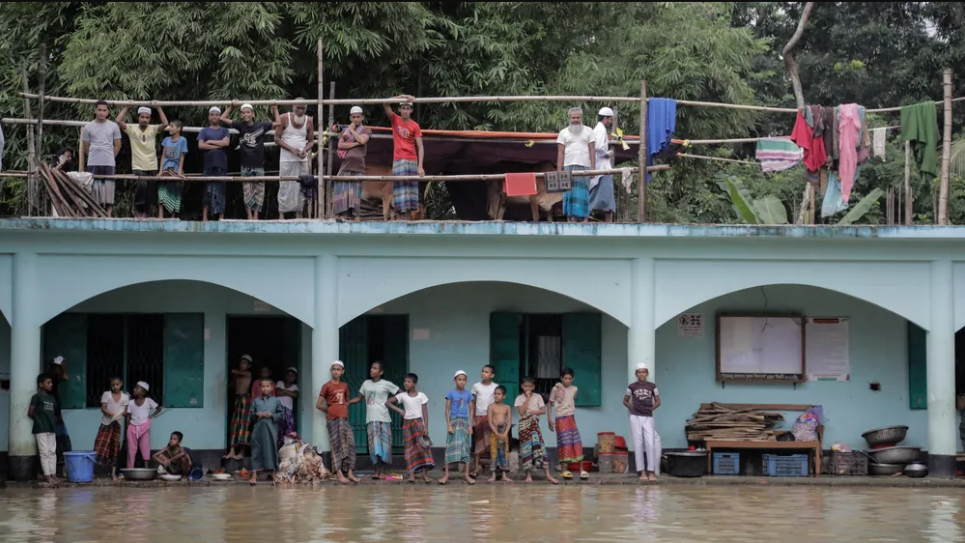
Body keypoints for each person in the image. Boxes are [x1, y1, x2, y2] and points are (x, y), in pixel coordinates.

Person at [221, 103, 281, 220]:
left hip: (258, 164)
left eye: (248, 112)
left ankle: (256, 216)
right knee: (247, 191)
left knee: (259, 191)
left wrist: (274, 108)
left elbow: (278, 123)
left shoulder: (261, 125)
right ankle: (249, 215)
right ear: (241, 115)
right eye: (243, 112)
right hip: (245, 165)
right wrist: (231, 106)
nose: (246, 114)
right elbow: (222, 118)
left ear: (252, 114)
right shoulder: (240, 125)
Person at [116, 105, 169, 218]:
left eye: (147, 117)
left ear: (149, 119)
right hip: (138, 165)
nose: (144, 119)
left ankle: (145, 213)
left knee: (150, 191)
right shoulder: (131, 129)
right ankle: (137, 208)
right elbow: (118, 120)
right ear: (138, 117)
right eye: (142, 117)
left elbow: (165, 124)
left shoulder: (153, 129)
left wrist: (159, 108)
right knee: (142, 185)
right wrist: (127, 107)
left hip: (152, 165)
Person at [351, 361, 398, 480]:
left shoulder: (386, 384)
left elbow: (400, 394)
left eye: (375, 368)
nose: (371, 370)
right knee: (374, 447)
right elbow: (359, 398)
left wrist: (391, 402)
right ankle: (376, 471)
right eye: (371, 368)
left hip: (384, 419)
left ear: (381, 372)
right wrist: (348, 402)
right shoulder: (366, 383)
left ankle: (382, 471)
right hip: (371, 420)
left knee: (384, 447)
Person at [382, 95, 424, 220]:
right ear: (400, 110)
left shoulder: (415, 126)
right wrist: (403, 96)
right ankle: (399, 216)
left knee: (411, 187)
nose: (405, 111)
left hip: (412, 159)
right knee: (399, 186)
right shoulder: (395, 119)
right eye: (403, 108)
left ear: (411, 111)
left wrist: (420, 166)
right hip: (399, 159)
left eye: (408, 108)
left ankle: (409, 217)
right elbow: (385, 102)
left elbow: (420, 147)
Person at [386, 373, 433, 483]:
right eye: (405, 381)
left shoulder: (421, 395)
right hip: (407, 424)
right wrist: (399, 410)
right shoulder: (402, 396)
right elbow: (387, 402)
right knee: (409, 448)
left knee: (423, 448)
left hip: (419, 423)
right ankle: (411, 474)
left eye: (409, 382)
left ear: (414, 384)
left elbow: (425, 412)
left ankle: (424, 475)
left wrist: (426, 426)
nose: (406, 383)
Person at [317, 360, 358, 484]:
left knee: (350, 443)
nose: (335, 371)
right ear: (331, 371)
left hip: (344, 419)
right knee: (336, 446)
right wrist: (330, 411)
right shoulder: (327, 386)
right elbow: (318, 405)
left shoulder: (345, 385)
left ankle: (350, 472)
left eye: (338, 369)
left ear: (342, 371)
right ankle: (339, 473)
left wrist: (342, 410)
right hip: (333, 420)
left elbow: (346, 400)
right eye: (333, 369)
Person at [82, 100, 122, 217]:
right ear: (95, 111)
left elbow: (118, 145)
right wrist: (93, 157)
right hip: (93, 161)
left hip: (109, 162)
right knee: (94, 188)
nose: (101, 112)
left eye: (104, 110)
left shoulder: (113, 126)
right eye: (99, 110)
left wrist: (110, 157)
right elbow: (86, 147)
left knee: (109, 188)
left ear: (107, 112)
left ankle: (108, 214)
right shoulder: (88, 127)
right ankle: (95, 213)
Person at [556, 107, 596, 223]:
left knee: (583, 193)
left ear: (581, 118)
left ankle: (584, 218)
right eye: (573, 118)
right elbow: (560, 153)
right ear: (569, 118)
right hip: (568, 166)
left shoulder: (589, 131)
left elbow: (592, 151)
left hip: (585, 167)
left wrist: (593, 168)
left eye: (577, 117)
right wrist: (559, 170)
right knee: (569, 194)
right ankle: (570, 218)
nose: (575, 120)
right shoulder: (563, 133)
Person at [275, 101, 315, 219]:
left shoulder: (309, 120)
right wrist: (292, 150)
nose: (300, 111)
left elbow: (311, 141)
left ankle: (299, 214)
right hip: (286, 160)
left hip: (301, 160)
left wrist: (305, 150)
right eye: (298, 108)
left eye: (303, 108)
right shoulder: (283, 118)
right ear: (293, 107)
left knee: (302, 186)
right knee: (285, 185)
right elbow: (277, 138)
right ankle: (281, 215)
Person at [516, 376, 559, 484]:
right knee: (526, 450)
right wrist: (528, 399)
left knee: (540, 448)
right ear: (522, 386)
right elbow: (521, 412)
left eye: (530, 386)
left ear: (533, 387)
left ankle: (547, 474)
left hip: (535, 425)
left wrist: (532, 412)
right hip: (524, 427)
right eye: (525, 386)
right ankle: (528, 476)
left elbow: (543, 410)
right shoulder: (519, 398)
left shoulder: (538, 397)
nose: (528, 388)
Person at [624, 362, 662, 482]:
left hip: (648, 417)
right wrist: (633, 409)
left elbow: (658, 401)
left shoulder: (652, 386)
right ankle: (642, 472)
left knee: (650, 443)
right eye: (639, 372)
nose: (641, 374)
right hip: (635, 417)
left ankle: (651, 472)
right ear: (636, 374)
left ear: (647, 373)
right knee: (638, 443)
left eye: (644, 372)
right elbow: (625, 401)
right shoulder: (631, 387)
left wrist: (651, 408)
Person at [549, 367, 587, 480]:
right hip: (560, 418)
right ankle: (564, 469)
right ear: (561, 378)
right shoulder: (556, 389)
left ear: (573, 379)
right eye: (565, 378)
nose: (567, 381)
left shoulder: (574, 389)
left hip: (571, 417)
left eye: (569, 378)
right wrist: (549, 419)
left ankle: (581, 470)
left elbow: (572, 398)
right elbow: (549, 403)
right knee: (564, 442)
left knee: (576, 441)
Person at [334, 106, 371, 219]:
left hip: (358, 167)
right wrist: (355, 144)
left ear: (362, 117)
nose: (356, 119)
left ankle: (355, 218)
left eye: (358, 117)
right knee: (342, 190)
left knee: (355, 194)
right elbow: (340, 145)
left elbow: (362, 140)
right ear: (350, 117)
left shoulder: (366, 130)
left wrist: (352, 131)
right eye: (354, 117)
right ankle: (343, 216)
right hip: (345, 166)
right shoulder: (345, 131)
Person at [440, 370, 475, 485]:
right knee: (450, 446)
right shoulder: (450, 393)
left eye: (464, 380)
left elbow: (471, 410)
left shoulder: (468, 395)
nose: (462, 382)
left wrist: (470, 425)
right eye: (459, 379)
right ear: (455, 380)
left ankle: (466, 475)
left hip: (464, 422)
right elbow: (447, 410)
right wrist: (449, 424)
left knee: (465, 447)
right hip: (454, 421)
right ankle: (446, 475)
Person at [198, 106, 231, 222]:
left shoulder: (224, 130)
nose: (214, 117)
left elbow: (226, 143)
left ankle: (221, 217)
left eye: (217, 114)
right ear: (209, 117)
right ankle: (205, 217)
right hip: (208, 165)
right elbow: (201, 145)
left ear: (219, 116)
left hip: (221, 164)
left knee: (221, 190)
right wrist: (219, 144)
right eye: (212, 114)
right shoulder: (204, 131)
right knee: (207, 190)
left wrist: (210, 142)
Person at [249, 378, 284, 485]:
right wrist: (257, 415)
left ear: (272, 387)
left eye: (267, 386)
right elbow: (251, 415)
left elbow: (281, 415)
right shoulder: (256, 401)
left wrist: (271, 415)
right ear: (260, 388)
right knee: (256, 450)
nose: (265, 388)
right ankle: (254, 474)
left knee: (272, 449)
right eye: (263, 386)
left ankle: (274, 473)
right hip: (258, 429)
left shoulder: (276, 401)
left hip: (271, 429)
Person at [94, 376, 129, 480]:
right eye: (113, 385)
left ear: (121, 384)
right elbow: (103, 408)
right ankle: (92, 470)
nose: (115, 386)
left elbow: (126, 411)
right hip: (106, 423)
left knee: (115, 448)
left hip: (117, 425)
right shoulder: (106, 394)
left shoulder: (125, 397)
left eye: (117, 384)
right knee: (99, 446)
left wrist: (122, 414)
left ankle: (113, 473)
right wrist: (112, 414)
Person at [28, 373, 58, 485]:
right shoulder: (36, 397)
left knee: (52, 452)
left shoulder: (52, 398)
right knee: (44, 452)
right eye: (48, 383)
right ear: (41, 384)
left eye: (51, 383)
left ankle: (53, 474)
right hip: (40, 429)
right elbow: (30, 413)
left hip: (51, 428)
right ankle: (47, 475)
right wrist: (40, 421)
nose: (51, 385)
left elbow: (53, 414)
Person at [125, 381, 161, 469]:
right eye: (135, 387)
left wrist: (150, 417)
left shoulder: (148, 401)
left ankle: (146, 469)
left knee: (145, 448)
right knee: (131, 450)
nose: (134, 389)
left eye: (137, 388)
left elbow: (158, 408)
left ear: (143, 392)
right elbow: (128, 416)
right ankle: (130, 469)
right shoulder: (131, 402)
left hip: (144, 426)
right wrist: (128, 427)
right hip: (132, 427)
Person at [470, 365, 498, 477]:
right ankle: (476, 469)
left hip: (491, 418)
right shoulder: (476, 386)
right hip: (478, 417)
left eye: (486, 372)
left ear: (492, 375)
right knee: (478, 443)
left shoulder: (496, 387)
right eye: (482, 371)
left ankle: (493, 470)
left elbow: (497, 403)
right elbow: (473, 403)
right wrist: (472, 417)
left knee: (492, 443)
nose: (483, 373)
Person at [590, 107, 616, 222]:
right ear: (605, 118)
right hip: (602, 167)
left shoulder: (598, 129)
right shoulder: (600, 130)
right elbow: (598, 147)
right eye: (610, 120)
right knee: (606, 194)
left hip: (601, 165)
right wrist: (607, 153)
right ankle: (607, 220)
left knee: (598, 193)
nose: (611, 122)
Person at [47, 356, 71, 478]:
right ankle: (59, 471)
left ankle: (62, 470)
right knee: (59, 444)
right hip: (53, 415)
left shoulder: (54, 378)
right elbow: (65, 376)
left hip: (57, 414)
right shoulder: (53, 377)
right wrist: (62, 366)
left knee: (62, 443)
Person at [225, 354, 253, 460]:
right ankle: (232, 451)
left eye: (244, 363)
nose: (242, 364)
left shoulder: (247, 373)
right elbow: (231, 385)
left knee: (243, 425)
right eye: (241, 362)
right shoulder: (238, 375)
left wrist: (234, 371)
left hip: (245, 399)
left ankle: (242, 451)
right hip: (237, 399)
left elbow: (235, 371)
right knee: (234, 424)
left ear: (249, 366)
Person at [158, 120, 188, 218]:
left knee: (175, 190)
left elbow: (182, 157)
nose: (170, 128)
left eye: (172, 126)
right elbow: (163, 156)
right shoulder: (166, 139)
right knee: (162, 191)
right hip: (166, 168)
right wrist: (160, 171)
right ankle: (160, 216)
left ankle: (173, 216)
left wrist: (179, 172)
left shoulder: (183, 140)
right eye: (170, 126)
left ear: (179, 128)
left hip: (175, 168)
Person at [487, 385, 513, 483]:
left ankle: (504, 475)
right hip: (494, 431)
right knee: (494, 451)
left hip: (504, 431)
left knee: (504, 452)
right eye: (495, 394)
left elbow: (509, 421)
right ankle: (493, 475)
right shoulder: (491, 406)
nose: (496, 396)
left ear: (504, 396)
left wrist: (505, 432)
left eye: (499, 394)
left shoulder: (507, 407)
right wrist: (496, 433)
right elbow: (489, 421)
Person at [275, 367, 299, 449]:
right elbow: (278, 392)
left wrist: (284, 391)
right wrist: (289, 392)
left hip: (288, 410)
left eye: (292, 376)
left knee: (288, 430)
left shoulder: (295, 386)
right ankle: (278, 449)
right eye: (288, 375)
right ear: (285, 376)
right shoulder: (280, 383)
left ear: (295, 378)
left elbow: (295, 395)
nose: (290, 377)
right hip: (279, 410)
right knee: (278, 429)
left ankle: (287, 449)